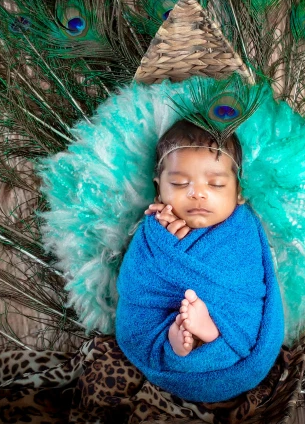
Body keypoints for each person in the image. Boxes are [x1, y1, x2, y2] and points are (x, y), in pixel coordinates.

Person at [114, 118, 285, 402]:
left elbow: (249, 286)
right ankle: (178, 341)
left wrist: (179, 252)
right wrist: (165, 241)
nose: (197, 193)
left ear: (239, 191)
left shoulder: (241, 231)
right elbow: (136, 284)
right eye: (180, 183)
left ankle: (209, 331)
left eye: (216, 184)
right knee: (144, 330)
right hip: (159, 322)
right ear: (159, 189)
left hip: (232, 328)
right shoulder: (153, 232)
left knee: (243, 326)